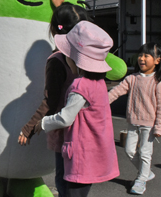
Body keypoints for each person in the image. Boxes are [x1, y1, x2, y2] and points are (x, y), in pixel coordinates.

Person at [18, 0, 92, 197]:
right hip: (90, 126)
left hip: (66, 130)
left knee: (64, 178)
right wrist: (61, 9)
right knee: (81, 179)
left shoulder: (57, 60)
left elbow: (50, 101)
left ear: (54, 29)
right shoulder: (91, 56)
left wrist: (29, 128)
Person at [36, 21, 119, 197]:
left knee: (71, 191)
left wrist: (42, 123)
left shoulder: (80, 85)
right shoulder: (100, 83)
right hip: (95, 152)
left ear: (75, 59)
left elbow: (66, 118)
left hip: (80, 155)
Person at [109, 42, 161, 195]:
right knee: (129, 150)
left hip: (149, 125)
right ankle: (146, 173)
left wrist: (159, 127)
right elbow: (115, 92)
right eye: (140, 55)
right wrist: (100, 102)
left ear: (157, 60)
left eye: (146, 56)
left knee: (145, 153)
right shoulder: (132, 79)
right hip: (133, 122)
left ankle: (141, 180)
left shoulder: (159, 82)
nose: (142, 58)